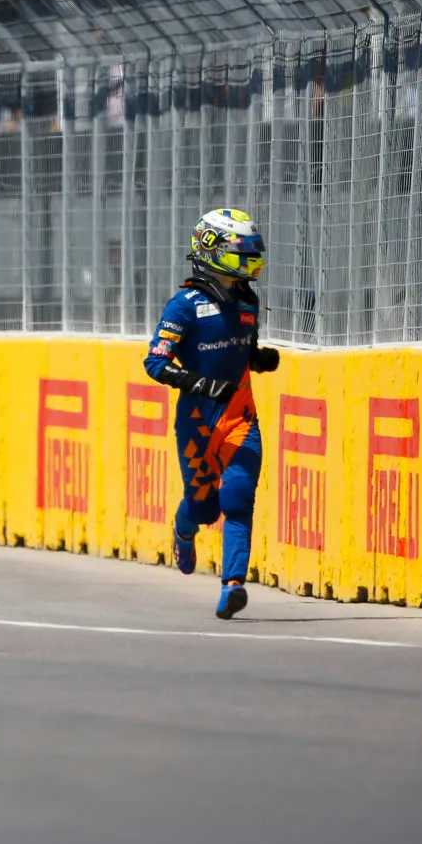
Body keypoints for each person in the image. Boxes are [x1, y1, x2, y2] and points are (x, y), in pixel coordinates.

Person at [142, 208, 282, 619]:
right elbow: (155, 363)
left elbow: (241, 350)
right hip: (197, 420)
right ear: (214, 250)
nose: (252, 259)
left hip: (241, 416)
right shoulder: (182, 306)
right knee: (204, 508)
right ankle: (184, 528)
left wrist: (258, 360)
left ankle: (233, 586)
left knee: (238, 496)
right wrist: (201, 385)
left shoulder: (248, 301)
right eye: (243, 251)